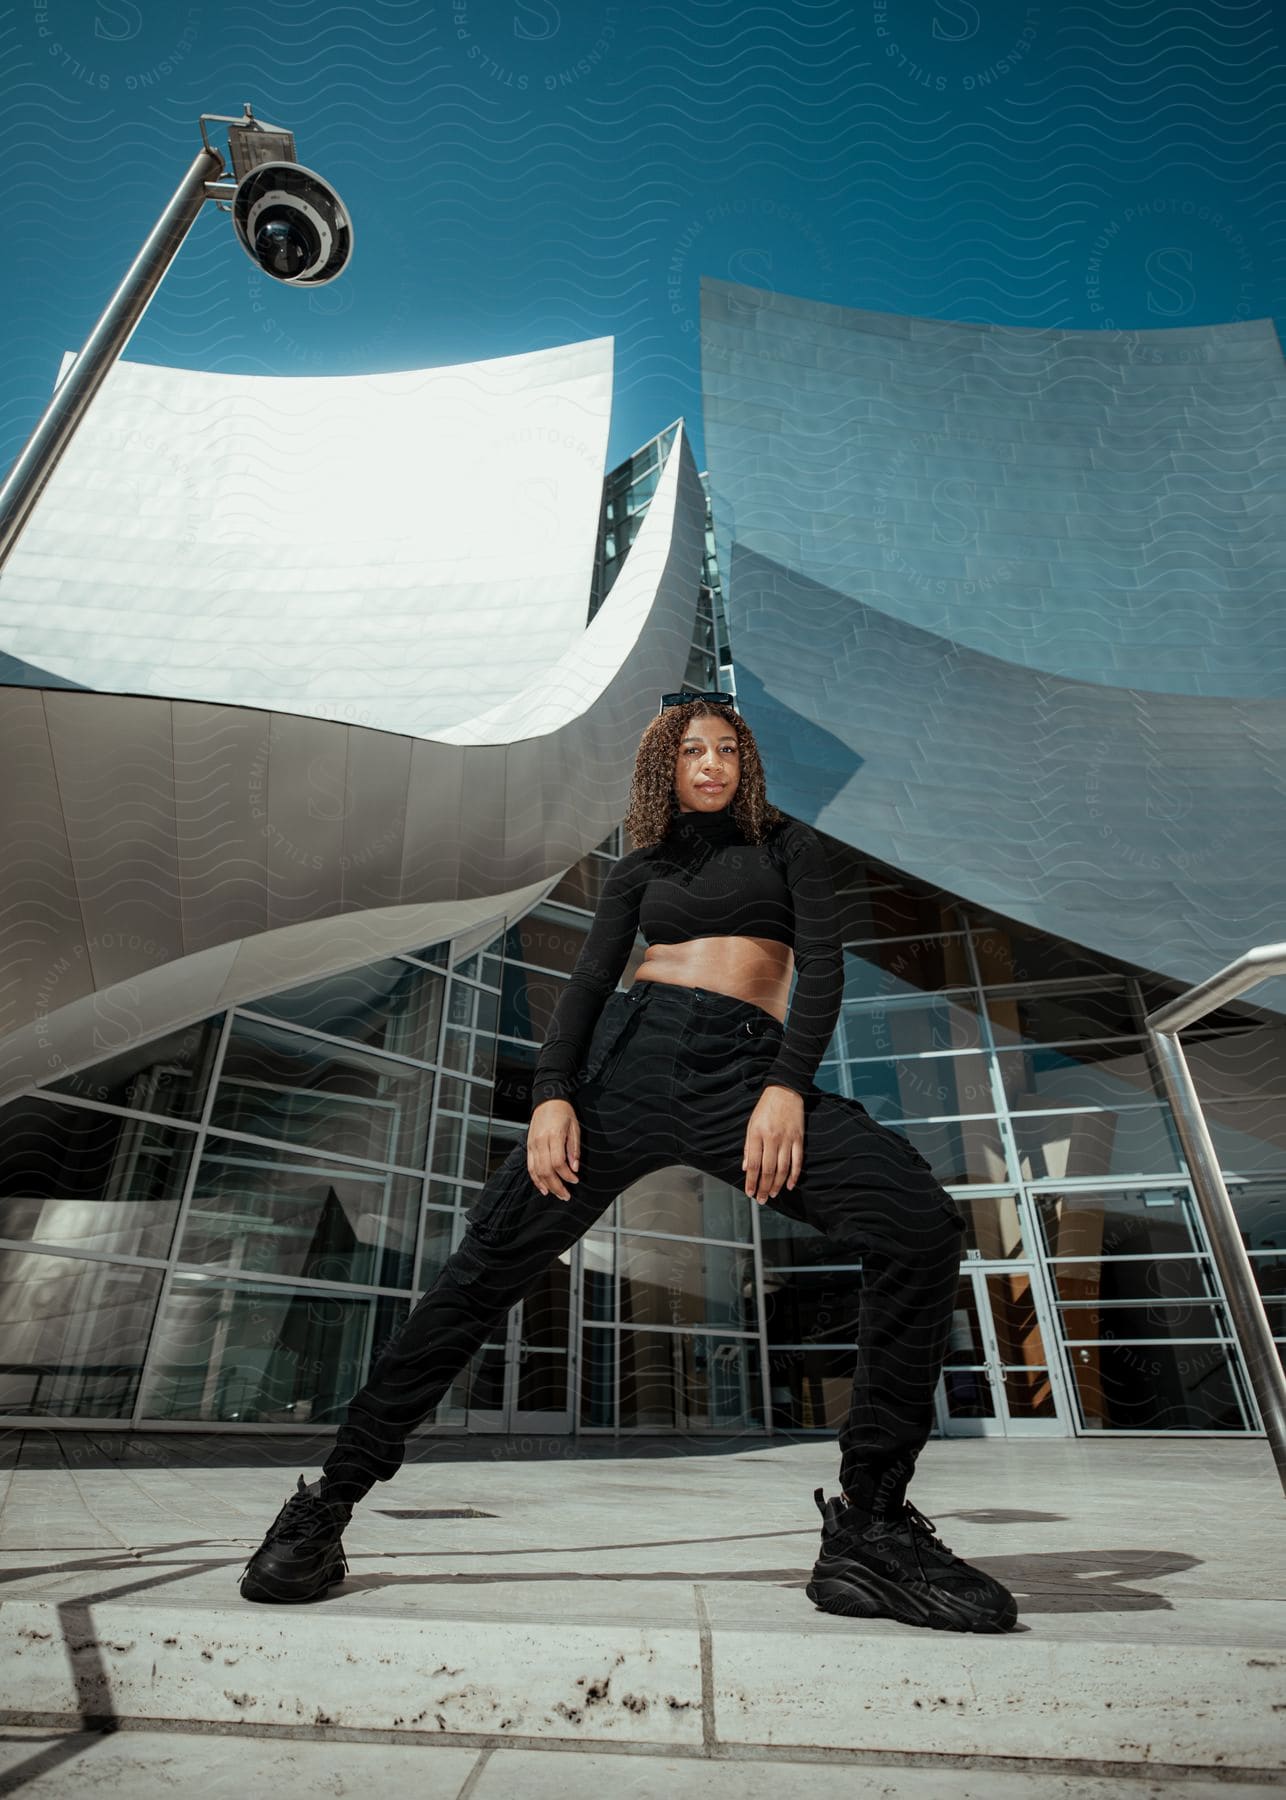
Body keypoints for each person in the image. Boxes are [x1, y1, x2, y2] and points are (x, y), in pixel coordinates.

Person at [240, 692, 1017, 1633]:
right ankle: (326, 1502)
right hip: (626, 1071)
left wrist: (784, 1085)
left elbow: (824, 969)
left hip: (744, 1072)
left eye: (728, 749)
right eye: (692, 750)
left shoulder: (787, 846)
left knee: (919, 1225)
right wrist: (552, 1095)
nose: (713, 763)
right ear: (666, 766)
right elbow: (588, 982)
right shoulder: (640, 869)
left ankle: (870, 1529)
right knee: (481, 1274)